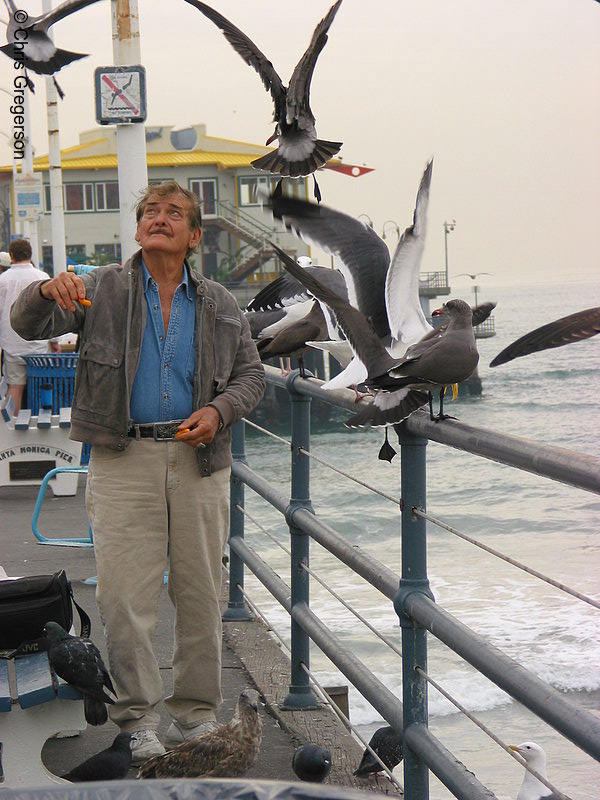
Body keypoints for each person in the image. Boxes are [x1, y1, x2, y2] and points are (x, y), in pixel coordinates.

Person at [10, 180, 266, 764]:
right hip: (123, 459)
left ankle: (196, 715)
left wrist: (218, 410)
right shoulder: (100, 288)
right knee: (126, 597)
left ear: (194, 236)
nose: (159, 218)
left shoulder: (222, 303)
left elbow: (251, 377)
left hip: (200, 461)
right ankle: (139, 718)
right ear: (137, 229)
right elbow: (28, 325)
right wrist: (48, 288)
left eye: (174, 212)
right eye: (150, 211)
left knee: (201, 594)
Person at [0, 238, 56, 415]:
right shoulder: (43, 277)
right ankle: (43, 431)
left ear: (11, 256)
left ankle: (13, 434)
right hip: (38, 346)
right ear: (30, 254)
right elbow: (52, 312)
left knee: (15, 388)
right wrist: (54, 341)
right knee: (42, 389)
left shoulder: (3, 279)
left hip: (12, 345)